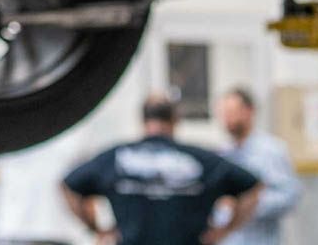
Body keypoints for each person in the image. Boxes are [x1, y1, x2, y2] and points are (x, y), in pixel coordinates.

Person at [62, 94, 261, 245]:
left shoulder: (116, 157)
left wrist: (97, 230)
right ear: (175, 120)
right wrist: (224, 231)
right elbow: (253, 187)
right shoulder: (201, 160)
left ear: (143, 121)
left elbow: (68, 187)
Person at [0, 127, 89, 245]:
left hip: (64, 233)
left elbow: (88, 182)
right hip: (14, 230)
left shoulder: (76, 128)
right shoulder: (6, 127)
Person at [217, 88, 301, 245]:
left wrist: (248, 205)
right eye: (223, 113)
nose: (226, 118)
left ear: (249, 111)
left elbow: (289, 195)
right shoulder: (223, 153)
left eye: (231, 112)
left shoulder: (271, 150)